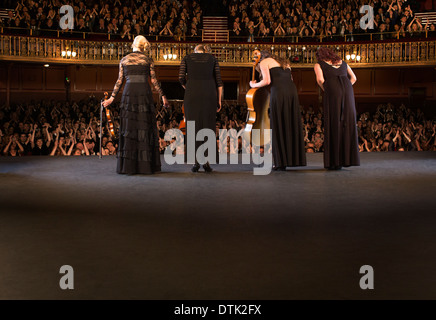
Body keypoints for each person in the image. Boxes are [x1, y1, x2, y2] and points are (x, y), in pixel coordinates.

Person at [103, 35, 169, 175]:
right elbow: (154, 80)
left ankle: (129, 167)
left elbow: (119, 81)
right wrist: (163, 96)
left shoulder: (124, 60)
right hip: (144, 93)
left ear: (133, 44)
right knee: (144, 128)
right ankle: (145, 167)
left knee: (130, 129)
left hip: (129, 94)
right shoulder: (147, 60)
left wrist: (111, 98)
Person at [249, 50, 306, 171]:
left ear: (261, 58)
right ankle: (294, 159)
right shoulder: (284, 62)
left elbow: (267, 81)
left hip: (279, 92)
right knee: (290, 123)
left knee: (279, 124)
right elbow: (289, 78)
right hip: (292, 91)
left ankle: (280, 162)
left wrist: (253, 85)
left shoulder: (264, 62)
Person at [178, 44, 223, 172]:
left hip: (192, 94)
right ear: (205, 51)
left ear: (195, 51)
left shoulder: (186, 58)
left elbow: (181, 78)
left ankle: (196, 163)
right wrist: (219, 100)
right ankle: (207, 162)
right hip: (209, 94)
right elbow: (219, 82)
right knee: (208, 126)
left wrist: (190, 88)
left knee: (192, 127)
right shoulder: (213, 59)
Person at [313, 47, 360, 170]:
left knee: (334, 122)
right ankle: (348, 159)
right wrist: (345, 88)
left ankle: (334, 161)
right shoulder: (342, 62)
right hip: (347, 89)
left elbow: (320, 80)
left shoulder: (319, 64)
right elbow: (354, 78)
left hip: (332, 91)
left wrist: (329, 91)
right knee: (347, 122)